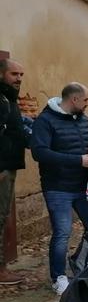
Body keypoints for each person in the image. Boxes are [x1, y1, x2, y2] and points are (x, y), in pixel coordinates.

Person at [31, 82, 88, 294]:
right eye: (85, 99)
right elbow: (39, 153)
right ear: (74, 99)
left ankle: (80, 263)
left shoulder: (84, 120)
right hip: (57, 187)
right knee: (62, 233)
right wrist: (78, 160)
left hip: (84, 187)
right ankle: (58, 277)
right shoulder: (45, 121)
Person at [0, 59, 27, 285]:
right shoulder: (2, 100)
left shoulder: (9, 98)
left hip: (9, 165)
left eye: (21, 74)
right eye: (13, 74)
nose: (18, 78)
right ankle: (1, 269)